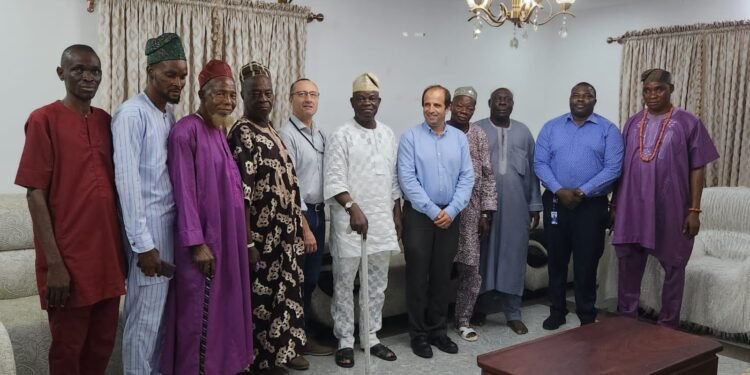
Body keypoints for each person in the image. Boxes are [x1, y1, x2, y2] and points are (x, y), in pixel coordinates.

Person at [15, 44, 126, 375]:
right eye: (78, 69)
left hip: (108, 260)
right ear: (61, 73)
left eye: (95, 71)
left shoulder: (107, 121)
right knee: (68, 352)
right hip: (68, 263)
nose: (88, 77)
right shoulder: (43, 120)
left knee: (102, 346)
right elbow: (35, 193)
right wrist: (54, 265)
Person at [160, 60, 254, 374]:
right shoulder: (186, 131)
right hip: (202, 248)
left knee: (224, 314)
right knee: (199, 317)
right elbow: (183, 192)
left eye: (232, 95)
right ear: (202, 93)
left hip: (227, 242)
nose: (228, 101)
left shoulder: (218, 130)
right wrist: (196, 243)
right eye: (221, 94)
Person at [612, 68, 719, 328]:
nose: (652, 95)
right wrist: (615, 203)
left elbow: (698, 167)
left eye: (658, 89)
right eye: (647, 90)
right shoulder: (633, 122)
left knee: (674, 265)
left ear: (671, 89)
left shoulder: (688, 122)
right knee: (628, 262)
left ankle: (668, 325)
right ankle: (627, 319)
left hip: (670, 207)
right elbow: (621, 166)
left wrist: (694, 209)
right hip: (632, 205)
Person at [111, 32, 188, 374]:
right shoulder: (131, 114)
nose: (178, 81)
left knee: (159, 324)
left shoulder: (167, 114)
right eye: (171, 74)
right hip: (149, 237)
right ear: (150, 70)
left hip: (169, 231)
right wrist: (143, 246)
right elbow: (128, 185)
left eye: (183, 75)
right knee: (143, 324)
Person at [227, 61, 306, 375]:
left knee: (281, 298)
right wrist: (248, 242)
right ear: (244, 96)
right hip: (261, 236)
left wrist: (301, 228)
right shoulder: (242, 133)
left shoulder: (272, 129)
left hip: (284, 235)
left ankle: (276, 358)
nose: (263, 98)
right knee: (261, 303)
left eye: (268, 93)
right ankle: (258, 363)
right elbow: (242, 195)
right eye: (255, 93)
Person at [324, 73, 401, 367]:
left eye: (372, 98)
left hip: (381, 222)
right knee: (344, 283)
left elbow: (393, 180)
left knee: (377, 284)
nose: (367, 103)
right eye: (361, 98)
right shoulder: (340, 134)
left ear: (379, 102)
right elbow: (333, 179)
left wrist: (397, 212)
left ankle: (371, 336)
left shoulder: (388, 134)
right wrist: (352, 207)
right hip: (349, 224)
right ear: (352, 102)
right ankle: (344, 340)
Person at [534, 82, 624, 330]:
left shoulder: (608, 130)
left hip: (591, 206)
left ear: (595, 101)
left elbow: (613, 168)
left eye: (587, 96)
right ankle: (557, 311)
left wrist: (583, 191)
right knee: (557, 260)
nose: (581, 99)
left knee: (587, 261)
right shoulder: (551, 127)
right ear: (570, 99)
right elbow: (540, 163)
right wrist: (559, 190)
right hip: (555, 201)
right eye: (576, 95)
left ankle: (586, 312)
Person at [398, 85, 474, 358]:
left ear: (448, 108)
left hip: (450, 215)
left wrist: (452, 210)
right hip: (419, 215)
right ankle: (418, 335)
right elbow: (407, 180)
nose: (431, 110)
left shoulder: (459, 139)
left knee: (443, 276)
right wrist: (433, 211)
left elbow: (467, 177)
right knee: (418, 277)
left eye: (437, 105)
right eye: (427, 104)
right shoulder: (410, 138)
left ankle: (438, 332)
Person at [474, 87, 542, 335]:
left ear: (512, 104)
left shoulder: (524, 132)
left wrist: (535, 204)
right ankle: (479, 309)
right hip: (482, 208)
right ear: (489, 102)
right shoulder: (476, 129)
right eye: (498, 99)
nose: (503, 103)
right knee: (483, 257)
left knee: (513, 257)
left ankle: (513, 313)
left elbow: (533, 171)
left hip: (516, 207)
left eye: (508, 100)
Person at [278, 78, 335, 357]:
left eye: (313, 94)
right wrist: (304, 227)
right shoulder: (285, 134)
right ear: (291, 99)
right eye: (301, 94)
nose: (308, 99)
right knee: (297, 280)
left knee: (310, 280)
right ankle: (294, 342)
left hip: (318, 211)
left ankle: (303, 335)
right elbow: (290, 185)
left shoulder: (321, 134)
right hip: (298, 215)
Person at [445, 87, 497, 342]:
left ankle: (463, 320)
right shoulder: (439, 130)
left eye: (469, 107)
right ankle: (433, 321)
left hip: (471, 212)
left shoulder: (478, 134)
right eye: (460, 105)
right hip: (442, 212)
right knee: (440, 267)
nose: (464, 111)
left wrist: (486, 212)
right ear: (450, 106)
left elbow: (487, 174)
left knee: (470, 269)